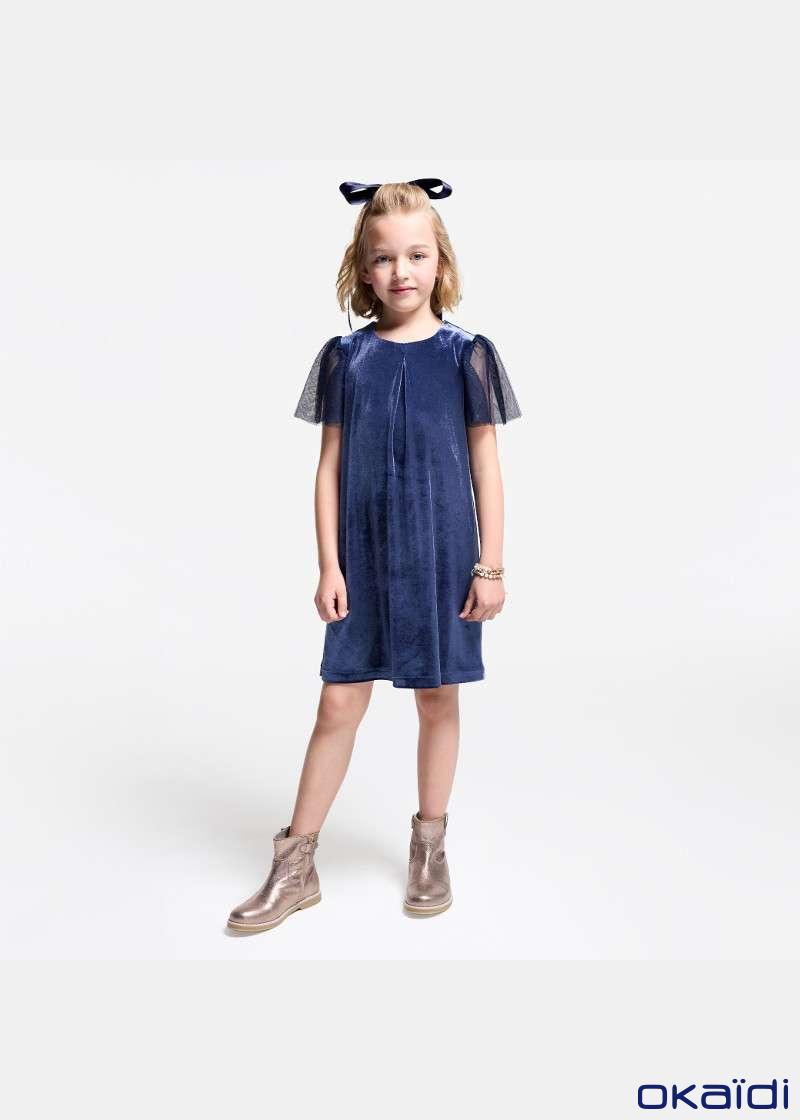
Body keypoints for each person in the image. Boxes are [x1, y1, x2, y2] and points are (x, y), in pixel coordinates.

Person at [226, 178, 522, 933]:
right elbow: (328, 466)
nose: (401, 271)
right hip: (363, 555)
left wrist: (490, 565)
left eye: (416, 255)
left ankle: (430, 844)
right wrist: (329, 565)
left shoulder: (467, 355)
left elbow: (485, 465)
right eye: (385, 257)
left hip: (443, 552)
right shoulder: (345, 357)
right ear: (363, 267)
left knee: (438, 697)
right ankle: (296, 863)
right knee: (338, 701)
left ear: (439, 259)